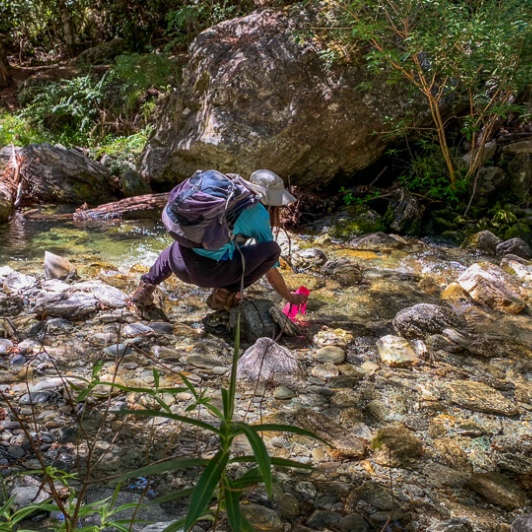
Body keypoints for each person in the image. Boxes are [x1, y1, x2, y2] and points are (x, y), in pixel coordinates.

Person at [131, 169, 309, 312]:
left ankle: (145, 287)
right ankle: (223, 296)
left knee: (182, 243)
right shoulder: (258, 212)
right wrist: (290, 297)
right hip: (208, 275)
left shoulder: (226, 197)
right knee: (272, 250)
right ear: (272, 199)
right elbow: (271, 272)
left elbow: (237, 237)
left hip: (177, 263)